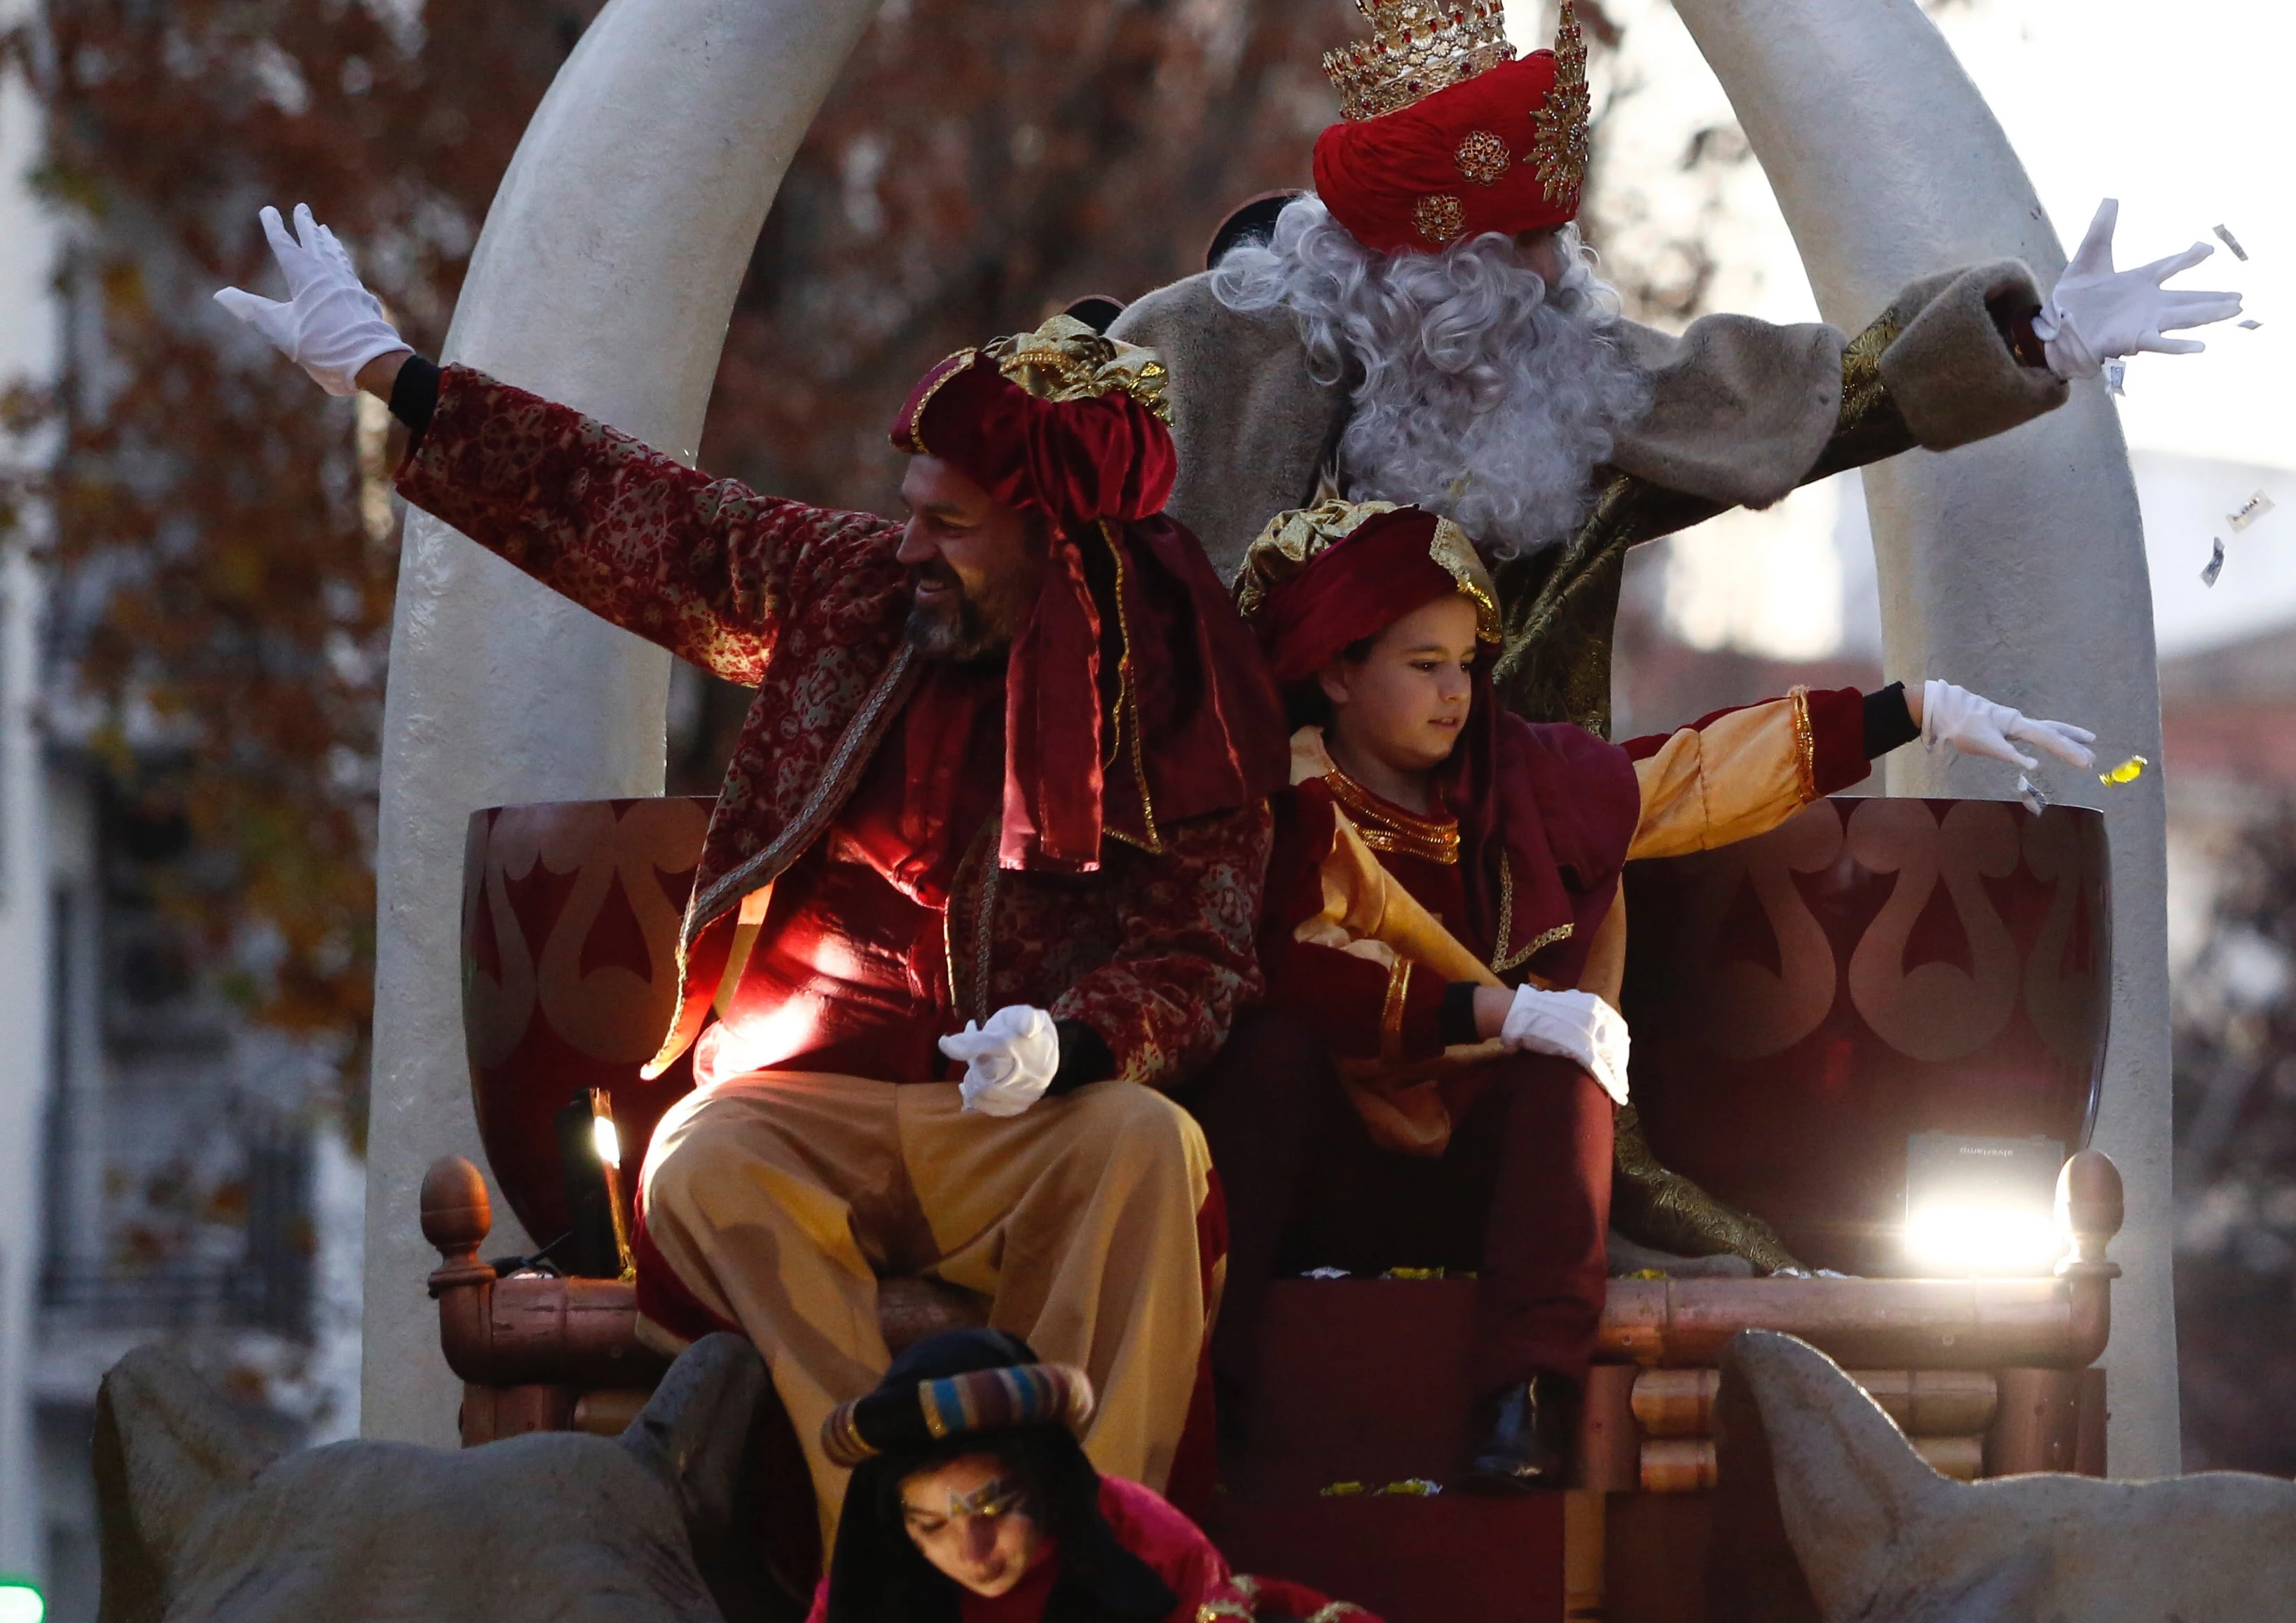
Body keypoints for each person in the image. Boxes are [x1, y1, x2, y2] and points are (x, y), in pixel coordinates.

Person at [214, 210, 1280, 1538]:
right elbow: (642, 515)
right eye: (909, 511)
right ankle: (884, 1519)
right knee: (696, 1162)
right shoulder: (848, 588)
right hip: (803, 1106)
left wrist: (1071, 1044)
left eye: (947, 524)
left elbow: (1203, 951)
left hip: (1016, 1119)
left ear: (1052, 539)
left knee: (1150, 1148)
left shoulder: (1179, 686)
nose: (906, 546)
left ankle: (1075, 1545)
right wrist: (397, 377)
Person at [1112, 0, 2243, 735]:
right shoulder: (1202, 347)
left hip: (1504, 881)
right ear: (1425, 257)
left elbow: (1802, 402)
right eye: (1522, 242)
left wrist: (2038, 338)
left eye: (1558, 232)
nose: (1556, 268)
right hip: (1219, 853)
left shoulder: (1556, 370)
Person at [1194, 497, 2094, 1491]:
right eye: (1423, 666)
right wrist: (1495, 1012)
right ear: (1335, 669)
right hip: (1333, 1168)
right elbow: (1302, 969)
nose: (1456, 692)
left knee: (1572, 1069)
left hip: (1488, 1184)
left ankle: (1524, 1404)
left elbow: (1695, 775)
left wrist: (1908, 711)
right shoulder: (1276, 802)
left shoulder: (1529, 780)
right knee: (1264, 1054)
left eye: (1466, 662)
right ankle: (1210, 1390)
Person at [816, 1328, 1380, 1623]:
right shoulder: (872, 1583)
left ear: (1047, 1481)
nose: (973, 1552)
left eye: (992, 1508)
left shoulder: (1148, 1547)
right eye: (931, 1527)